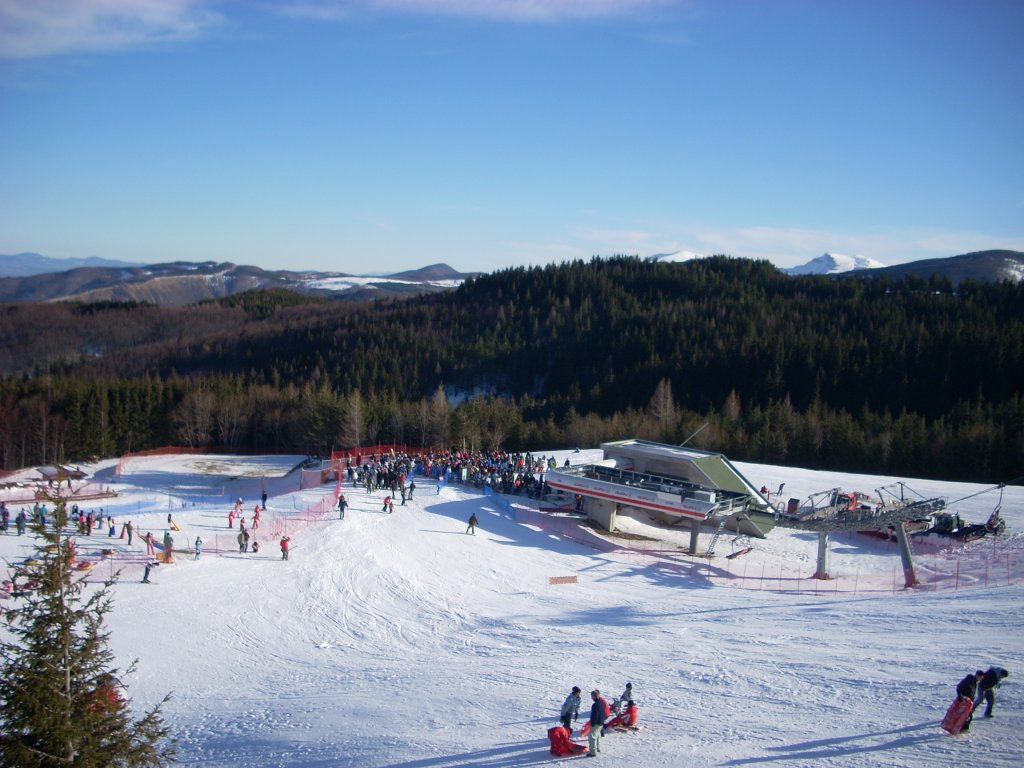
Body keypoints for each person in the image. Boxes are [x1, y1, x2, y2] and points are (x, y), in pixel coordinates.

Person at [587, 689, 606, 756]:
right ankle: (598, 748)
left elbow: (595, 715)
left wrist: (592, 723)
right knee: (598, 735)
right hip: (601, 722)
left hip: (596, 723)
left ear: (594, 696)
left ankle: (593, 752)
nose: (591, 697)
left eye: (592, 696)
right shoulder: (602, 702)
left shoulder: (595, 705)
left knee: (592, 737)